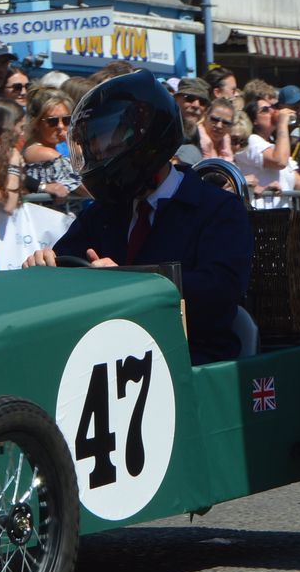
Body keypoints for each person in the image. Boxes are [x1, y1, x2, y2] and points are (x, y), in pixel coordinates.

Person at [23, 71, 251, 365]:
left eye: (108, 143)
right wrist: (44, 266)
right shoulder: (104, 212)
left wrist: (130, 283)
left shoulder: (218, 209)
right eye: (92, 145)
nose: (98, 153)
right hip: (112, 358)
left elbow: (220, 289)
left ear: (145, 136)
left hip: (191, 358)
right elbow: (66, 259)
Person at [21, 88, 81, 199]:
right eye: (52, 121)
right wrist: (75, 145)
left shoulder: (35, 147)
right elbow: (88, 188)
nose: (60, 126)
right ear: (36, 123)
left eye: (66, 120)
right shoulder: (45, 154)